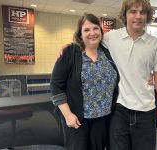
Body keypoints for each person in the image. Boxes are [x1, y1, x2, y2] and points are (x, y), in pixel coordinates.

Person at [58, 0, 157, 149]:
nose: (138, 16)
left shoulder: (155, 44)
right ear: (125, 15)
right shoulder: (111, 37)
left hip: (146, 109)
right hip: (118, 110)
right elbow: (89, 39)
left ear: (147, 16)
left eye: (142, 12)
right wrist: (69, 46)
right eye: (133, 12)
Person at [50, 13, 119, 150]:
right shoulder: (70, 53)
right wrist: (68, 115)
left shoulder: (108, 53)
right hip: (77, 119)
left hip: (103, 118)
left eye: (95, 28)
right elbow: (56, 86)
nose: (92, 33)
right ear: (80, 34)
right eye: (86, 30)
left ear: (101, 31)